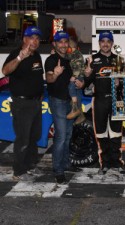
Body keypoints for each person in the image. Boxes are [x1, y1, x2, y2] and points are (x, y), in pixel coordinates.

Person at [2, 26, 44, 181]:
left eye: (37, 38)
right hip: (22, 104)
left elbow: (37, 78)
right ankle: (18, 171)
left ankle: (31, 165)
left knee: (34, 137)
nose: (35, 41)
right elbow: (5, 71)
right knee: (23, 138)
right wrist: (20, 58)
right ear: (24, 39)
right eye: (32, 37)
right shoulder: (16, 54)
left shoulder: (37, 55)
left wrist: (38, 97)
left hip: (35, 103)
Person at [45, 31, 83, 184]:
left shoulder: (69, 59)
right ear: (54, 44)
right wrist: (55, 74)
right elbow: (49, 78)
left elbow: (76, 79)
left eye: (65, 41)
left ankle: (66, 164)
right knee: (60, 138)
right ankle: (58, 170)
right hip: (58, 102)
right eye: (59, 42)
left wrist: (82, 82)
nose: (63, 44)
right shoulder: (51, 59)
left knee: (67, 136)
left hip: (70, 103)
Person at [84, 31, 124, 175]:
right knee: (101, 132)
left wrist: (120, 83)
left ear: (112, 43)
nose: (106, 44)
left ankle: (117, 162)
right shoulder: (91, 60)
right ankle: (104, 163)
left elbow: (123, 84)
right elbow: (85, 84)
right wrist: (87, 75)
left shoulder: (119, 59)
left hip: (116, 100)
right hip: (100, 99)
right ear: (99, 43)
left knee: (116, 132)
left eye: (108, 41)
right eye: (103, 41)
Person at [65, 36, 85, 124]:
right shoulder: (71, 54)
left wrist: (74, 76)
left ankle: (74, 107)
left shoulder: (77, 54)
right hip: (77, 76)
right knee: (78, 93)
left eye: (67, 46)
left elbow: (78, 67)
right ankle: (80, 115)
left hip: (78, 76)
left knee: (71, 87)